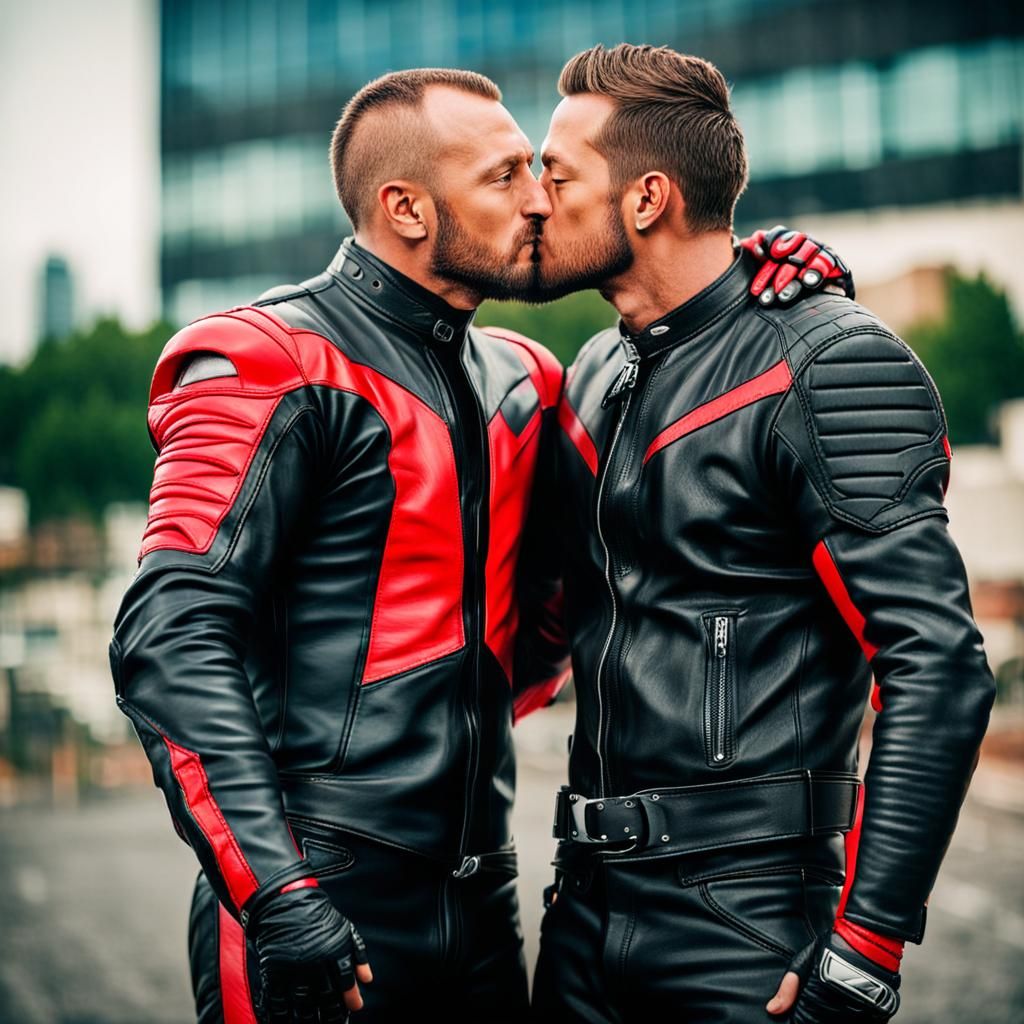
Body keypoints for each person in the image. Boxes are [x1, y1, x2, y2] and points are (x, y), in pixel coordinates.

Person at [110, 64, 846, 1023]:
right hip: (319, 896)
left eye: (541, 171)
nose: (541, 198)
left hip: (484, 902)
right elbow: (168, 638)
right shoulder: (268, 359)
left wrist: (757, 273)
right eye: (505, 177)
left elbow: (553, 623)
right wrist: (277, 895)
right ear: (408, 207)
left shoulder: (524, 381)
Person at [529, 44, 995, 1023]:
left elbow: (938, 662)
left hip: (746, 933)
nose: (535, 198)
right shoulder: (587, 378)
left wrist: (865, 951)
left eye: (557, 173)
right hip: (579, 919)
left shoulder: (830, 362)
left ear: (647, 197)